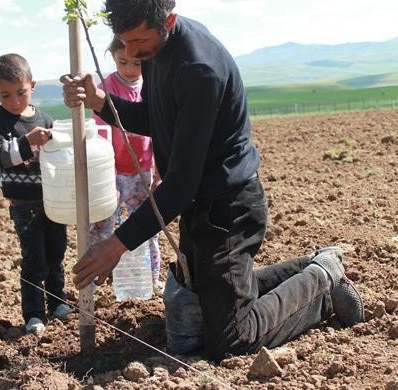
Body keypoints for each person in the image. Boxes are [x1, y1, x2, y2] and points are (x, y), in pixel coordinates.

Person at [62, 0, 364, 360]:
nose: (130, 52)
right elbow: (156, 118)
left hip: (228, 208)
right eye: (123, 42)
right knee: (209, 308)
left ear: (168, 21)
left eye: (138, 41)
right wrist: (100, 101)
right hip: (199, 204)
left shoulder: (197, 69)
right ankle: (312, 264)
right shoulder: (157, 47)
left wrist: (116, 246)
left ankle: (322, 284)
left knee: (233, 340)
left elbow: (181, 183)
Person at [0, 53, 73, 335]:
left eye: (20, 93)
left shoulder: (45, 119)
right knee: (34, 257)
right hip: (24, 204)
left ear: (32, 85)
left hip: (52, 201)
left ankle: (58, 302)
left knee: (56, 251)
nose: (14, 101)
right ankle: (33, 314)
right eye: (5, 95)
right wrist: (26, 143)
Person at [88, 37, 163, 293]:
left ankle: (152, 278)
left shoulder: (151, 88)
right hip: (113, 173)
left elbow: (158, 131)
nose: (130, 69)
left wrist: (158, 170)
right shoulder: (104, 89)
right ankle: (96, 281)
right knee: (102, 227)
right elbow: (100, 137)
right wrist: (106, 176)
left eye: (137, 63)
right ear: (112, 57)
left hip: (142, 172)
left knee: (148, 225)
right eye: (123, 62)